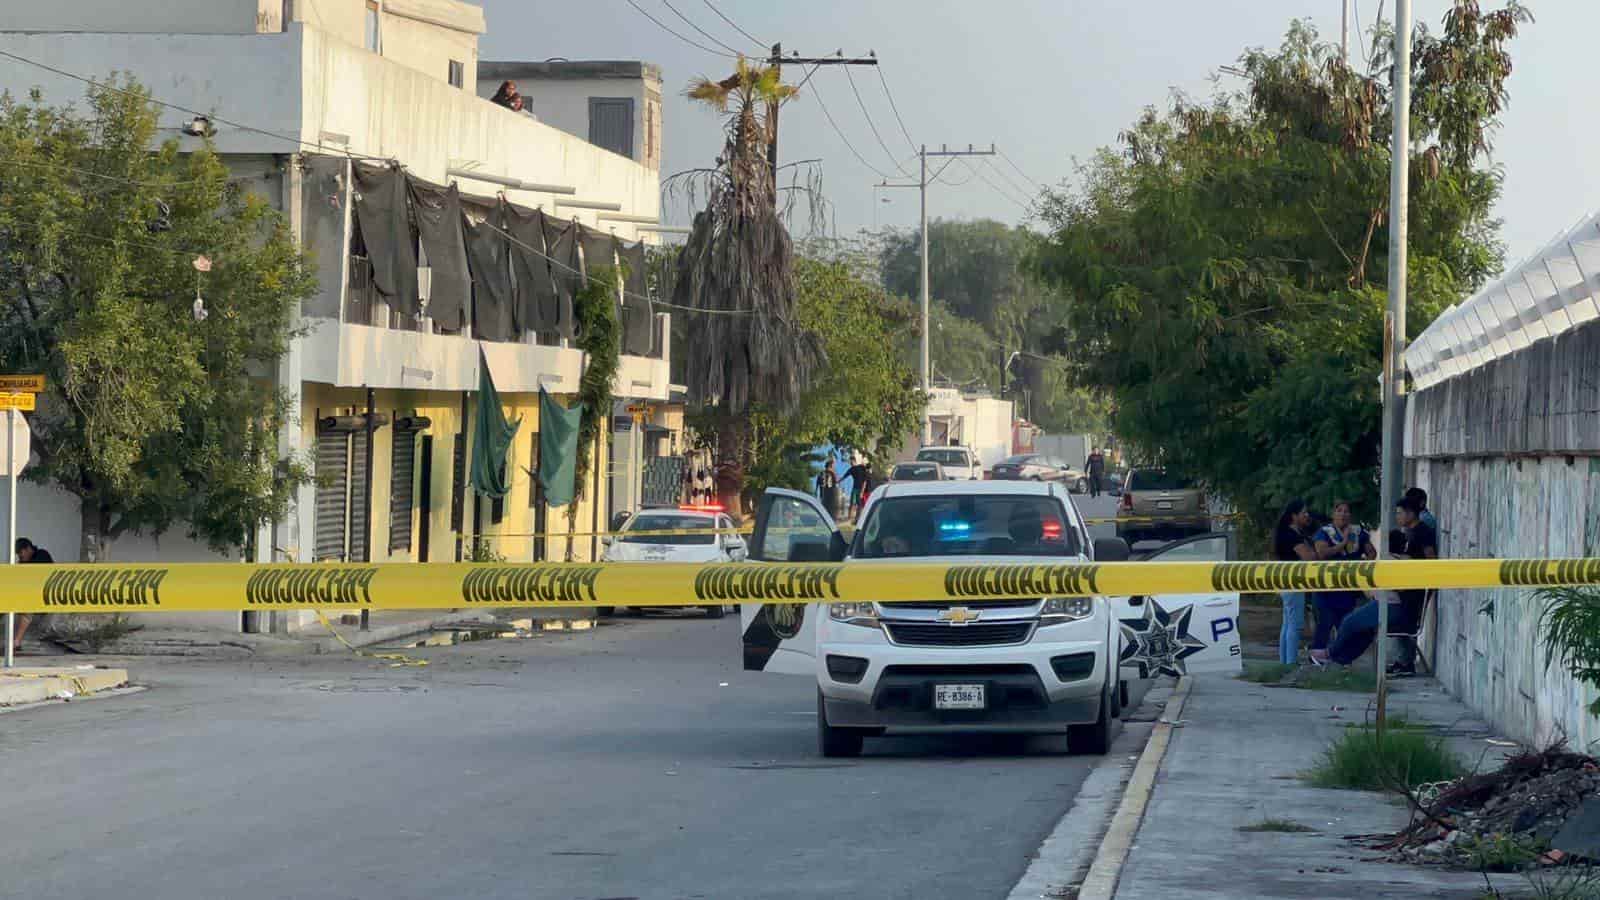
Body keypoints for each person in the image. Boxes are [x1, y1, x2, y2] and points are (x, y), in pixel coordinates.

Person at [1327, 495, 1439, 672]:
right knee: (1363, 629)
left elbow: (1430, 563)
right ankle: (1340, 661)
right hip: (1394, 598)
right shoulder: (1408, 534)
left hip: (1399, 602)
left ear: (1411, 513)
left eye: (1400, 513)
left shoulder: (1421, 533)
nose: (1397, 517)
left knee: (1349, 622)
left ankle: (1329, 657)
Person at [1308, 500, 1376, 665]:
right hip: (1326, 588)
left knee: (1345, 626)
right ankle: (1315, 662)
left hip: (1347, 589)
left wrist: (1360, 566)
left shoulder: (1358, 532)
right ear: (1333, 514)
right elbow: (1322, 553)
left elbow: (1372, 553)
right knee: (1324, 625)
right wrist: (1343, 544)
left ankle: (1342, 662)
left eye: (1346, 511)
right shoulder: (1325, 532)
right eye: (1339, 511)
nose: (1343, 514)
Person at [1272, 499, 1317, 666]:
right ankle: (1290, 663)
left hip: (1285, 581)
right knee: (1296, 624)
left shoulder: (1289, 533)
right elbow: (1309, 558)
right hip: (1293, 582)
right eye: (1303, 512)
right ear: (1294, 516)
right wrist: (1313, 550)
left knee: (1288, 623)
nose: (1307, 515)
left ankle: (1285, 663)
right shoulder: (1291, 536)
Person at [10, 538, 53, 652]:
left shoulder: (42, 555)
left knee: (27, 608)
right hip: (29, 593)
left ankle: (16, 642)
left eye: (21, 553)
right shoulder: (23, 561)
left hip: (45, 594)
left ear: (28, 549)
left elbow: (37, 575)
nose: (19, 556)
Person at [817, 454, 840, 518]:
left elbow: (818, 482)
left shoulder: (823, 472)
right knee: (829, 506)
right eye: (833, 465)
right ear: (830, 465)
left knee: (826, 505)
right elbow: (836, 480)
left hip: (825, 491)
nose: (834, 466)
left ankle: (825, 516)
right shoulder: (830, 472)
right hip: (830, 491)